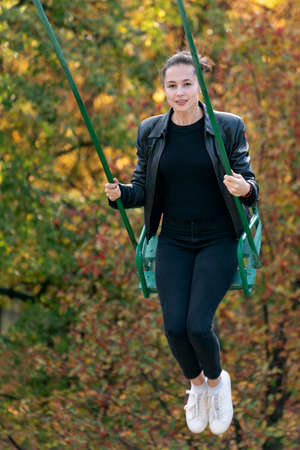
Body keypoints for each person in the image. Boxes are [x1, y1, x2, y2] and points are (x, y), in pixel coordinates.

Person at [104, 50, 259, 435]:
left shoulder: (227, 126)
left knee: (197, 325)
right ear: (164, 90)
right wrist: (121, 194)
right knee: (174, 327)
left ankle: (216, 383)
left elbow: (251, 185)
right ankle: (196, 386)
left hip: (217, 238)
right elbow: (142, 188)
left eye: (187, 84)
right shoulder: (152, 131)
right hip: (174, 238)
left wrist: (245, 188)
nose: (180, 92)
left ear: (200, 85)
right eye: (172, 86)